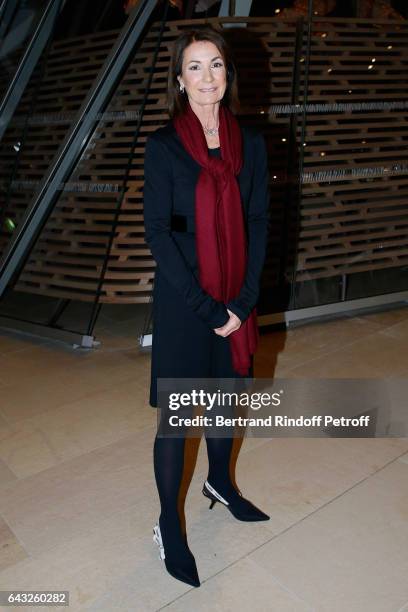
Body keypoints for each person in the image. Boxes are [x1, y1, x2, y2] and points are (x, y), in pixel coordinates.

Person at [143, 25, 270, 589]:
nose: (207, 77)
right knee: (179, 418)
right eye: (194, 67)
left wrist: (242, 302)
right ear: (179, 80)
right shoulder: (165, 146)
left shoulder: (251, 143)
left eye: (215, 65)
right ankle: (169, 524)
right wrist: (207, 308)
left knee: (224, 399)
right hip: (185, 301)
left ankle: (221, 482)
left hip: (235, 294)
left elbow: (260, 221)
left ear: (227, 74)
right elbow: (158, 234)